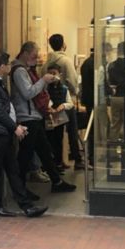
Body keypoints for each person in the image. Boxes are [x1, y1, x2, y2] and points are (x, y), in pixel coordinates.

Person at [0, 51, 48, 218]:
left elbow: (5, 110)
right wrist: (14, 128)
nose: (10, 67)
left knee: (13, 169)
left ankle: (27, 206)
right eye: (8, 64)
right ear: (2, 66)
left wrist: (16, 126)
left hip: (4, 132)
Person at [10, 42, 77, 194]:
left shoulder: (25, 70)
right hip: (27, 117)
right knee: (26, 155)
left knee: (44, 151)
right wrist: (43, 81)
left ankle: (56, 181)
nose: (36, 59)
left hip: (32, 116)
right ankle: (20, 190)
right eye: (34, 55)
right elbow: (28, 93)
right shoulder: (20, 71)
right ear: (26, 53)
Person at [42, 34, 84, 168]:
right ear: (63, 44)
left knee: (55, 134)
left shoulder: (46, 63)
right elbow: (72, 80)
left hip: (50, 101)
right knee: (72, 130)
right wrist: (75, 92)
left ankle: (58, 160)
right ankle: (77, 159)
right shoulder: (66, 61)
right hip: (66, 99)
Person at [44, 64, 75, 172]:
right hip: (48, 117)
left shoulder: (64, 88)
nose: (52, 76)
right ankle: (49, 166)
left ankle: (58, 164)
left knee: (59, 140)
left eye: (54, 73)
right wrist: (49, 108)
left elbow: (70, 103)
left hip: (60, 117)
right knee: (49, 140)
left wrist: (63, 106)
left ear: (59, 75)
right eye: (50, 73)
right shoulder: (45, 87)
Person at [106, 41, 125, 144]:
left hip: (115, 97)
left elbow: (108, 81)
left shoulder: (110, 65)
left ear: (118, 50)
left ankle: (112, 149)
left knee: (115, 124)